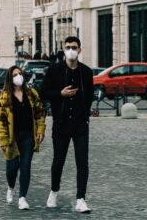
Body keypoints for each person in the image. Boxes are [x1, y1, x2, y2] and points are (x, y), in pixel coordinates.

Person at [39, 36, 93, 213]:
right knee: (58, 161)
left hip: (80, 124)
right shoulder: (54, 70)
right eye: (68, 47)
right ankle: (54, 192)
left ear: (79, 50)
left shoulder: (86, 72)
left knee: (82, 162)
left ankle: (81, 199)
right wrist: (60, 94)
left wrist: (85, 116)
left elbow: (90, 96)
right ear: (64, 49)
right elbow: (43, 93)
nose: (71, 50)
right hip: (61, 123)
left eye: (74, 47)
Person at [0, 66, 46, 210]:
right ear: (10, 79)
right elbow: (1, 120)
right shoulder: (5, 96)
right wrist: (3, 140)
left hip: (28, 136)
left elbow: (40, 113)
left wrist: (41, 129)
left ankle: (22, 198)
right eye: (15, 74)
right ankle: (11, 186)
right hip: (12, 137)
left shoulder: (31, 93)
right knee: (12, 169)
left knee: (25, 166)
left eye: (20, 74)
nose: (19, 76)